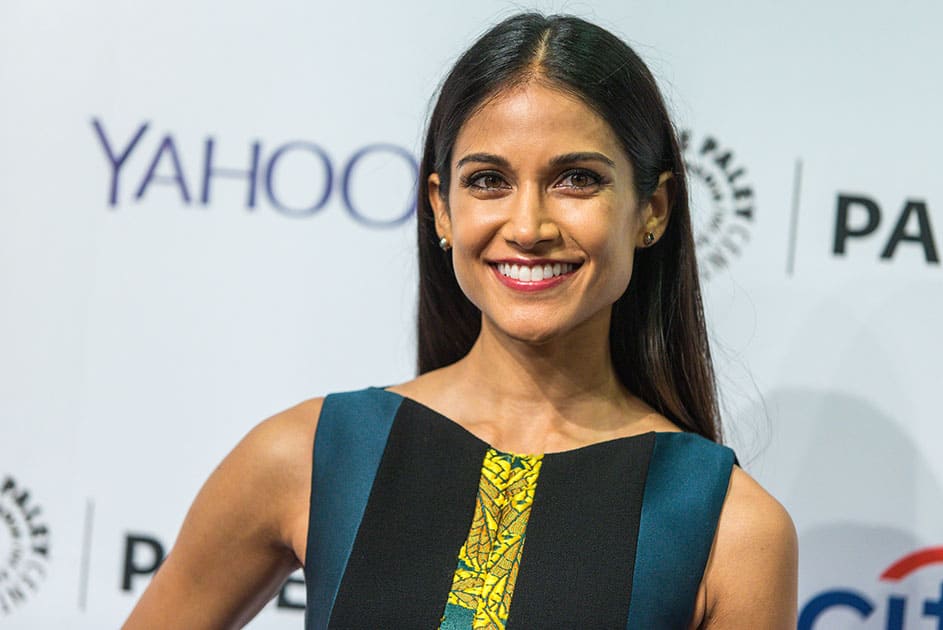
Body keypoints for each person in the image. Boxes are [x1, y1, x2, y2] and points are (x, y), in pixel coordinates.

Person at [124, 12, 797, 630]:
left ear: (651, 209)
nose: (528, 227)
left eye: (577, 180)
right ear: (442, 209)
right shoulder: (310, 453)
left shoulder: (732, 528)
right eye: (488, 181)